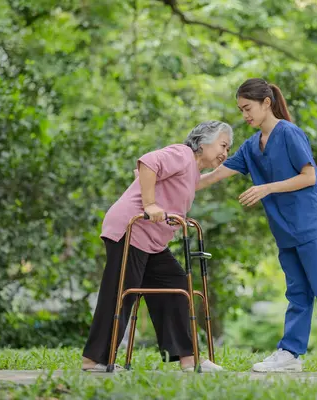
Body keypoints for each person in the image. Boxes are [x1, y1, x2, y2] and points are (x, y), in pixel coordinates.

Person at [198, 78, 317, 373]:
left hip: (314, 224)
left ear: (266, 103)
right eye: (240, 110)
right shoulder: (252, 147)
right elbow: (213, 175)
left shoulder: (289, 134)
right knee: (297, 292)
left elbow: (309, 176)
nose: (245, 116)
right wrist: (172, 183)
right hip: (286, 231)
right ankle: (290, 353)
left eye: (248, 108)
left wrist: (266, 188)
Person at [82, 121, 233, 373]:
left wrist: (233, 168)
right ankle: (94, 360)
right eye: (223, 145)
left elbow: (200, 181)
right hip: (131, 231)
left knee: (175, 284)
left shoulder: (191, 170)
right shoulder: (181, 154)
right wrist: (150, 203)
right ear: (203, 141)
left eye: (228, 149)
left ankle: (189, 359)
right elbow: (148, 163)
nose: (225, 153)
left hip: (151, 241)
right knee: (121, 293)